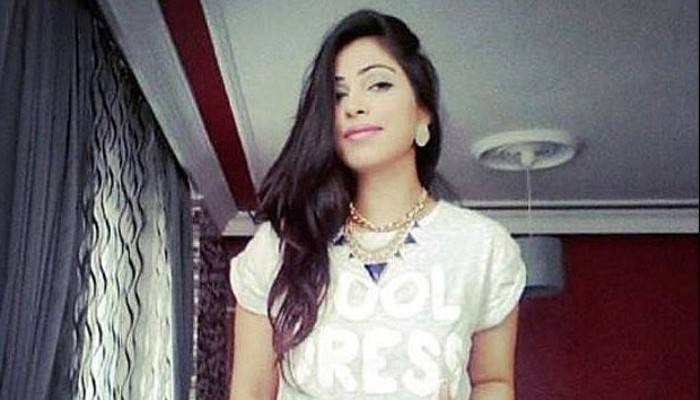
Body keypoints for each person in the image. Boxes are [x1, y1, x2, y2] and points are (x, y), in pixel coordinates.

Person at [229, 9, 526, 400]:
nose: (353, 106)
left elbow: (493, 381)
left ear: (423, 112)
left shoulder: (482, 247)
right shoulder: (281, 245)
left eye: (378, 84)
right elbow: (249, 391)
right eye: (338, 95)